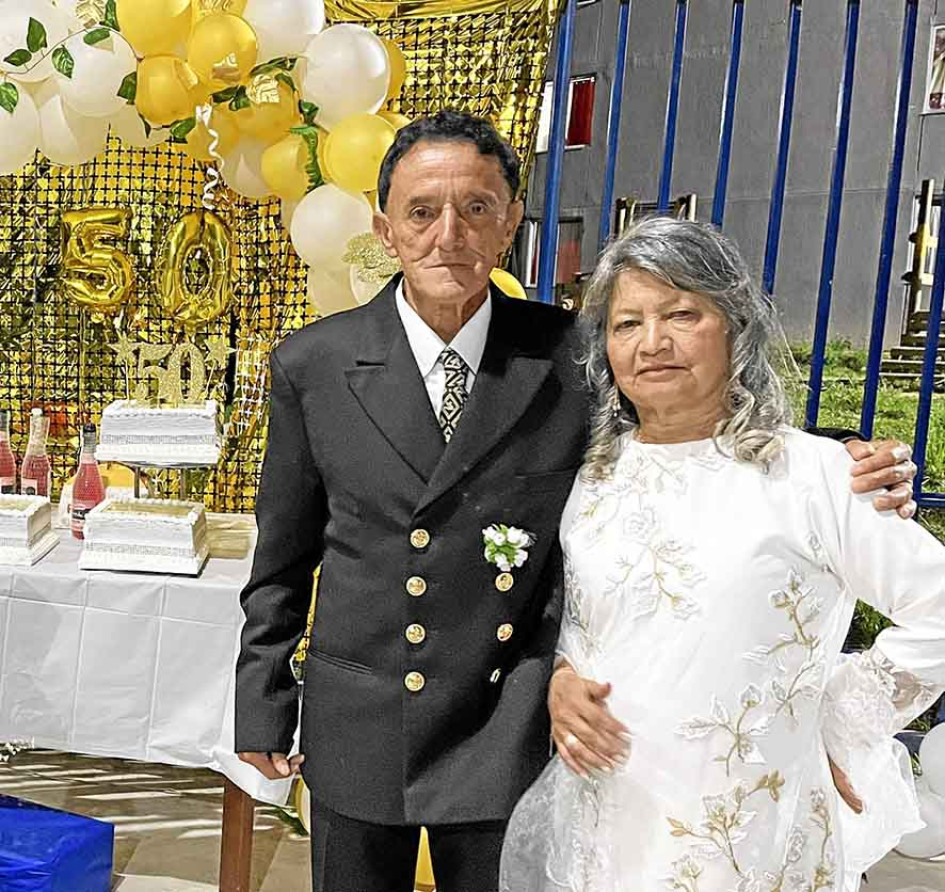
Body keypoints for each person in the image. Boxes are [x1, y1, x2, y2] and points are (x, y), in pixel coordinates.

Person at [234, 111, 916, 892]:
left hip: (501, 714)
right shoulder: (313, 363)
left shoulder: (569, 355)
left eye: (476, 209)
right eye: (422, 212)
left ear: (510, 224)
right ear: (386, 228)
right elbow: (282, 557)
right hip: (360, 711)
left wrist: (837, 452)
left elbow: (683, 421)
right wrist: (261, 704)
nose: (448, 235)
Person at [500, 216, 945, 892]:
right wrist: (558, 681)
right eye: (626, 324)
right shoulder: (587, 476)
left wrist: (834, 717)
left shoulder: (816, 476)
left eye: (682, 314)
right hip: (605, 815)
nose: (653, 343)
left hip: (752, 827)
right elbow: (562, 614)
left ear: (735, 327)